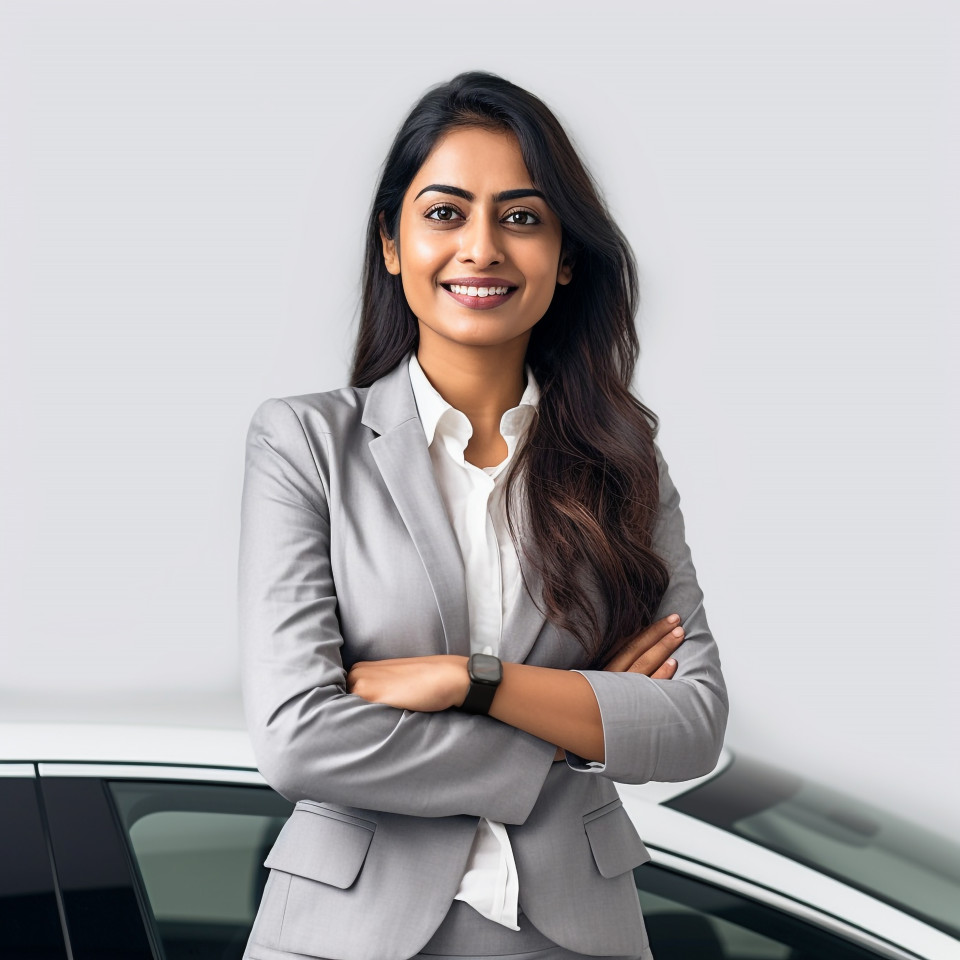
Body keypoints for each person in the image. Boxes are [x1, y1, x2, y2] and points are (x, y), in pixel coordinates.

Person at [238, 71, 727, 960]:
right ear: (392, 243)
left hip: (575, 935)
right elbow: (300, 740)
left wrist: (474, 681)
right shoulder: (305, 444)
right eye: (445, 213)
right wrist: (563, 732)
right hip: (346, 935)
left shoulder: (624, 462)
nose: (483, 247)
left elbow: (692, 721)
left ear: (566, 257)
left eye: (523, 217)